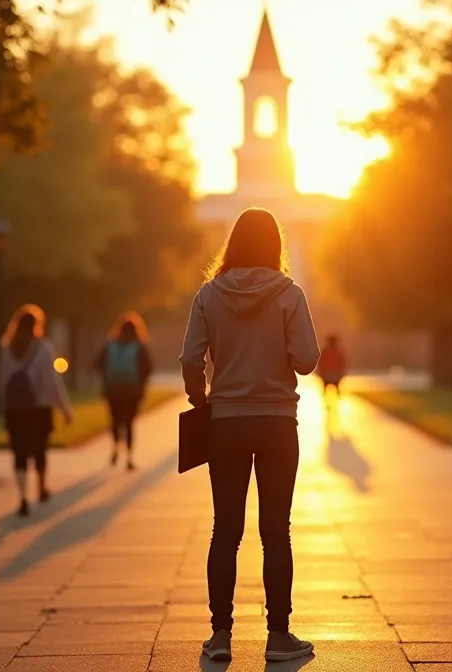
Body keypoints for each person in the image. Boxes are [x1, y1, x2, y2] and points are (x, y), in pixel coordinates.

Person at [180, 207, 320, 663]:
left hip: (226, 423)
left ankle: (220, 636)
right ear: (275, 245)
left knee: (226, 530)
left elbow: (189, 358)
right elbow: (306, 359)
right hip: (278, 422)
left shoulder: (209, 295)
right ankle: (278, 635)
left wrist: (200, 397)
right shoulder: (289, 294)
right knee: (276, 531)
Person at [0, 304, 73, 518]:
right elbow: (52, 382)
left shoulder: (7, 347)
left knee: (19, 453)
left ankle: (22, 497)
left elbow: (2, 380)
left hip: (15, 410)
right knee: (40, 450)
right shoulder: (44, 347)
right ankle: (41, 488)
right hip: (39, 410)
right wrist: (65, 408)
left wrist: (3, 405)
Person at [96, 311, 154, 471]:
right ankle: (129, 457)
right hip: (132, 391)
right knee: (129, 423)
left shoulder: (110, 345)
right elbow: (148, 368)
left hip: (113, 389)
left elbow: (98, 365)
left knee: (115, 420)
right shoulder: (139, 347)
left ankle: (115, 447)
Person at [316, 334, 348, 401]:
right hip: (335, 376)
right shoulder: (339, 352)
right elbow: (343, 364)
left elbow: (319, 363)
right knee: (337, 389)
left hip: (326, 375)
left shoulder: (324, 352)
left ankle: (326, 402)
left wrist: (320, 373)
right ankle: (336, 402)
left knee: (325, 389)